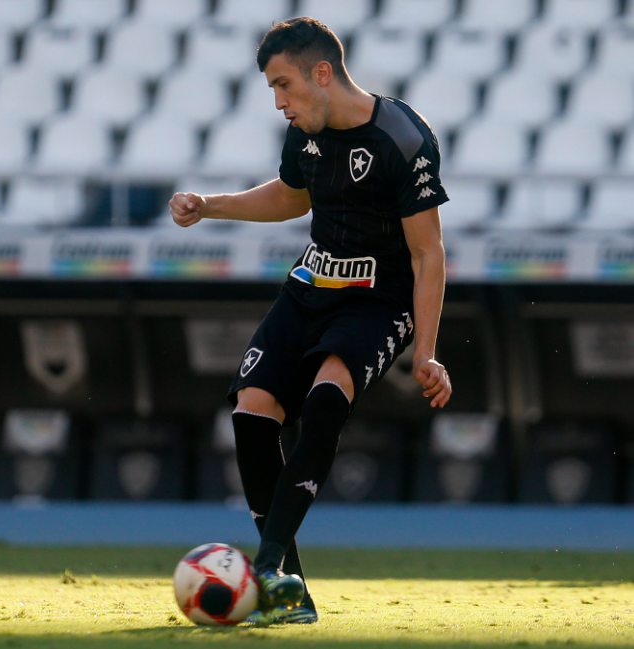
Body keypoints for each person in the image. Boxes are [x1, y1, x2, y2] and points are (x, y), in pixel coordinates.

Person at [169, 17, 453, 625]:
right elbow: (291, 197)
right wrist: (210, 205)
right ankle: (288, 589)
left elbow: (429, 253)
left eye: (284, 85)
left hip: (379, 299)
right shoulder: (305, 131)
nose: (279, 103)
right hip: (311, 284)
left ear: (321, 74)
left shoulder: (403, 138)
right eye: (272, 90)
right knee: (250, 413)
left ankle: (267, 566)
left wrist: (425, 350)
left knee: (326, 396)